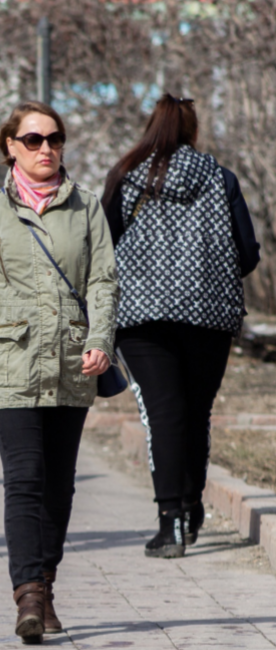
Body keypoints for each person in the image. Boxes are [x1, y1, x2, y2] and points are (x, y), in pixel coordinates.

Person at [0, 101, 118, 644]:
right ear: (9, 146)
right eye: (33, 140)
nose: (46, 149)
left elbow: (104, 282)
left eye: (54, 139)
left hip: (69, 361)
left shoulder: (86, 207)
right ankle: (29, 595)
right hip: (7, 361)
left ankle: (46, 581)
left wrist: (101, 339)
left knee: (59, 486)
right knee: (26, 478)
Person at [102, 95, 260, 559]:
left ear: (152, 128)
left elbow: (102, 247)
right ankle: (192, 507)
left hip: (141, 318)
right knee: (196, 412)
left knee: (164, 414)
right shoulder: (219, 177)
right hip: (209, 315)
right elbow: (247, 253)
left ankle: (170, 521)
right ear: (193, 131)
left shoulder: (126, 177)